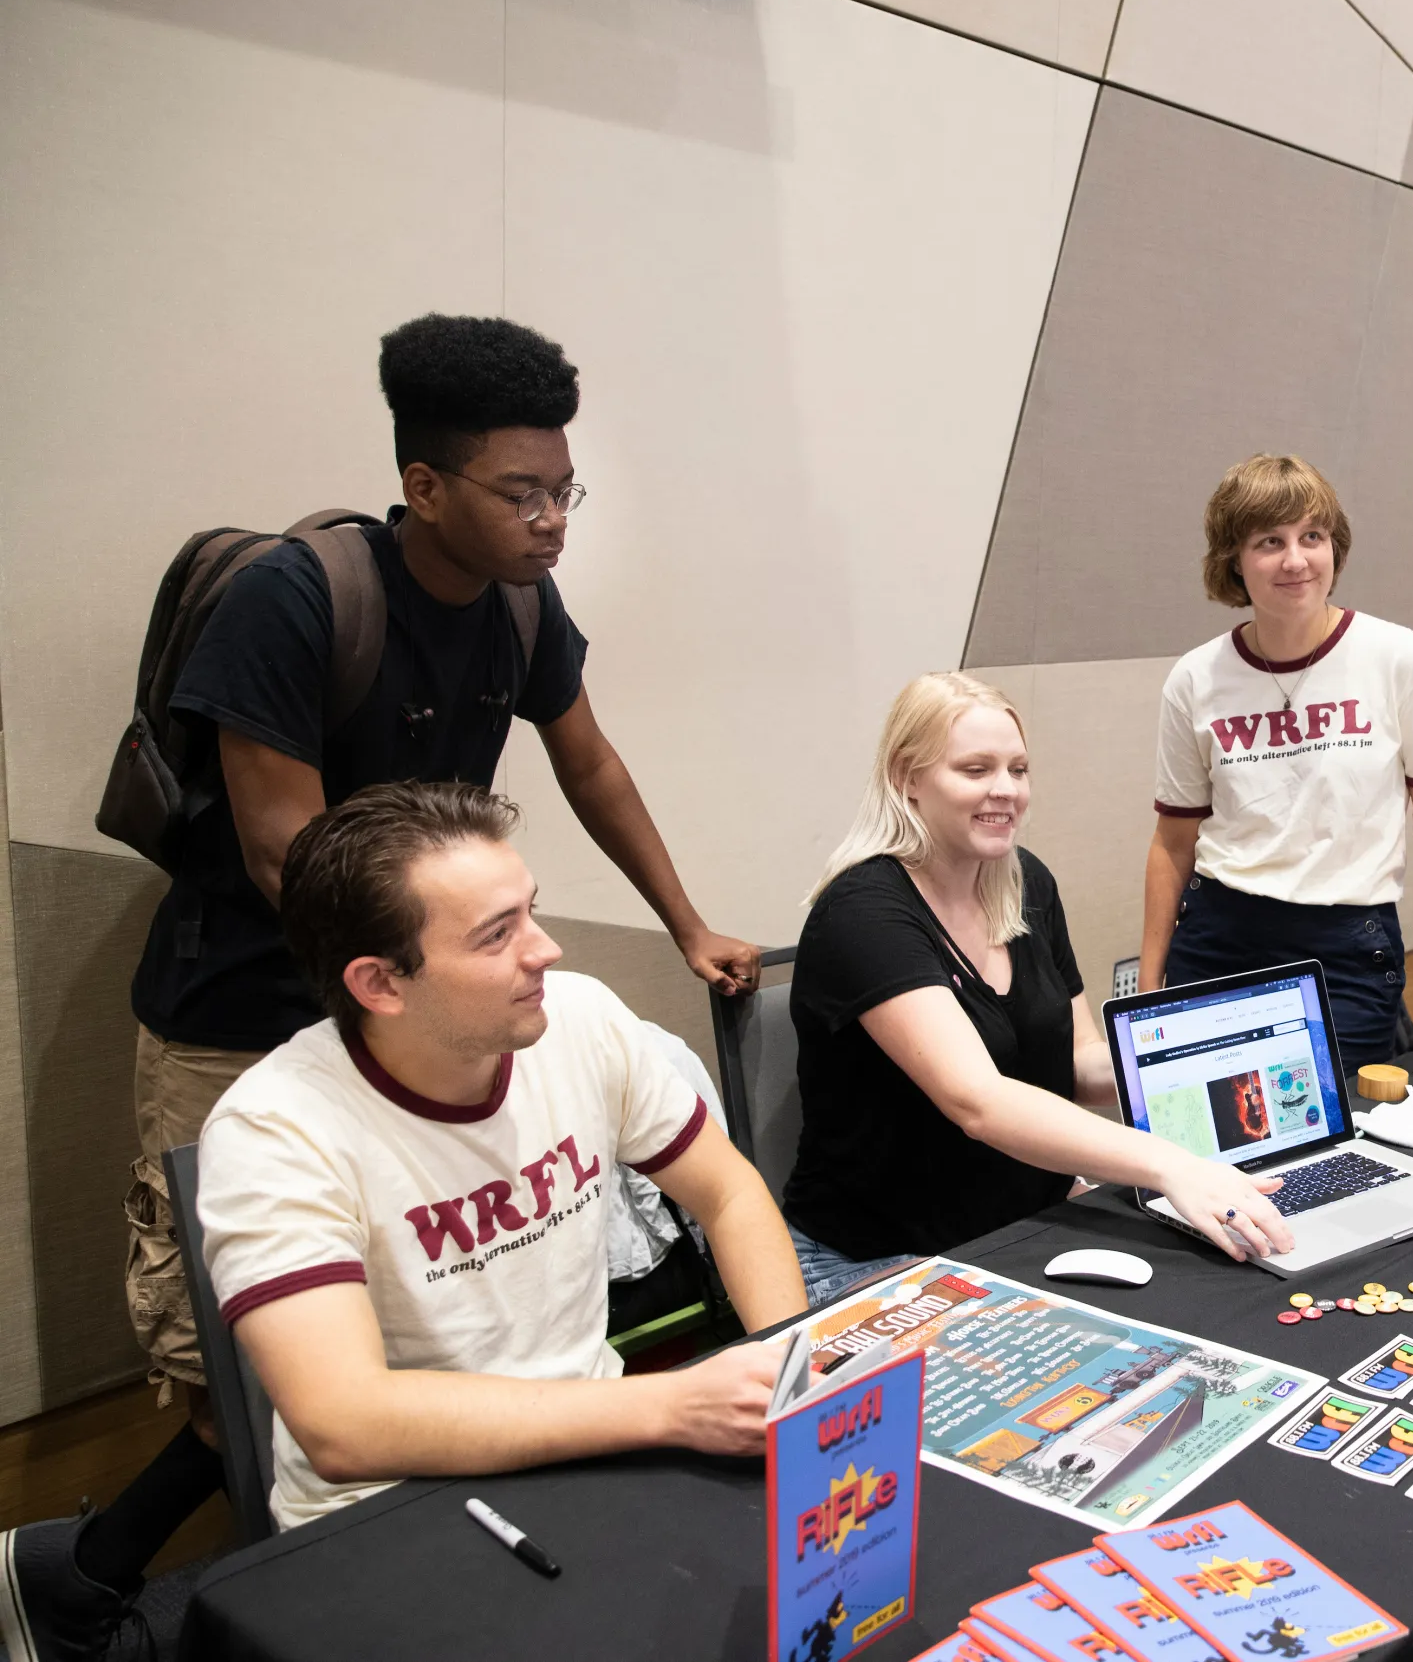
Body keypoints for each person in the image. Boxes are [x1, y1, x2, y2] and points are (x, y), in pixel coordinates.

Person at [2, 315, 765, 1658]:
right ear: (424, 487)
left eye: (563, 490)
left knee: (403, 1328)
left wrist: (687, 920)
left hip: (416, 1003)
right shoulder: (297, 599)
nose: (551, 522)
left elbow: (589, 763)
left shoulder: (523, 607)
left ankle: (115, 1573)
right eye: (519, 494)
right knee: (234, 1372)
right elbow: (278, 844)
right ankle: (159, 1591)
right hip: (249, 1019)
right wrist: (391, 1030)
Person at [214, 785, 798, 1539]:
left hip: (597, 1447)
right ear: (380, 983)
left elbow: (725, 1191)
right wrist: (672, 1405)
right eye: (497, 935)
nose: (545, 949)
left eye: (531, 909)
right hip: (390, 1510)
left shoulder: (581, 1018)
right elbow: (342, 1421)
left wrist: (787, 1361)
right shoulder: (274, 1128)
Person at [781, 674, 1297, 1303]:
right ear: (906, 779)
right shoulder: (862, 913)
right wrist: (1172, 1165)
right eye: (975, 770)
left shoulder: (1025, 883)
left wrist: (1208, 1055)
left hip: (1022, 1225)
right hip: (880, 1257)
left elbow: (1074, 1062)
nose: (1006, 791)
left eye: (1018, 769)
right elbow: (980, 1102)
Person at [1142, 455, 1413, 1070]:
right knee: (1204, 1139)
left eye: (1312, 537)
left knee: (1328, 1144)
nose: (1296, 560)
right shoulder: (1195, 678)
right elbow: (1173, 842)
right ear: (1234, 561)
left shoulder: (1400, 658)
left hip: (1346, 946)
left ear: (1335, 548)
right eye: (1269, 541)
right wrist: (1149, 987)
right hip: (1218, 934)